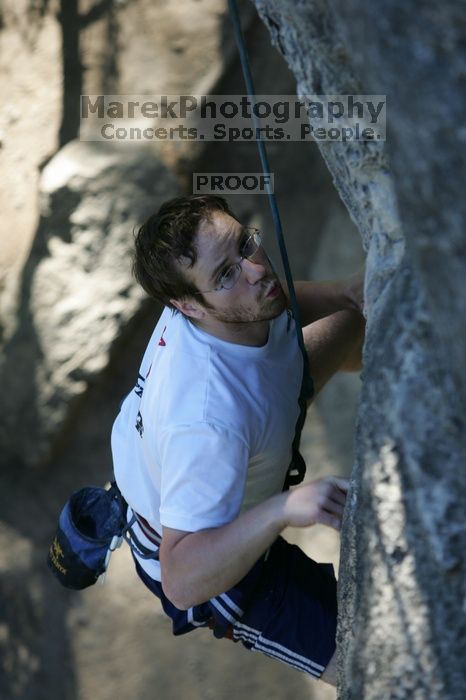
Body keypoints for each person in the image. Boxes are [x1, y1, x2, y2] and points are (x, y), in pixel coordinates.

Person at [111, 194, 365, 687]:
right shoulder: (209, 424)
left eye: (246, 244)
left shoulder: (229, 302)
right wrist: (284, 509)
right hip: (201, 550)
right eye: (225, 275)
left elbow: (271, 300)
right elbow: (182, 582)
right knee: (372, 667)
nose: (254, 270)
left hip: (229, 443)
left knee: (353, 318)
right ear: (186, 307)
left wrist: (345, 292)